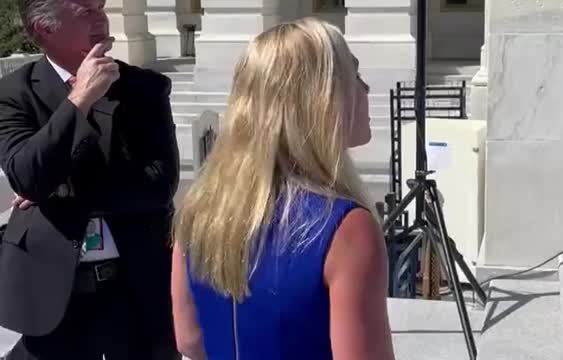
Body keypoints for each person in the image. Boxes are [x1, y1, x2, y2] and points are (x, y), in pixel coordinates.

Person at [171, 17, 395, 360]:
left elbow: (189, 340)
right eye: (355, 76)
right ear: (320, 100)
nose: (366, 90)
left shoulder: (198, 210)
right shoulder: (346, 229)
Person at [0, 0, 180, 358]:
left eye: (100, 7)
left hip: (137, 284)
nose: (101, 17)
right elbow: (26, 176)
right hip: (54, 293)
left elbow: (160, 184)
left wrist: (57, 190)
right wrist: (80, 99)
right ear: (44, 29)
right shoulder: (14, 93)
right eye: (84, 10)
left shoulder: (144, 88)